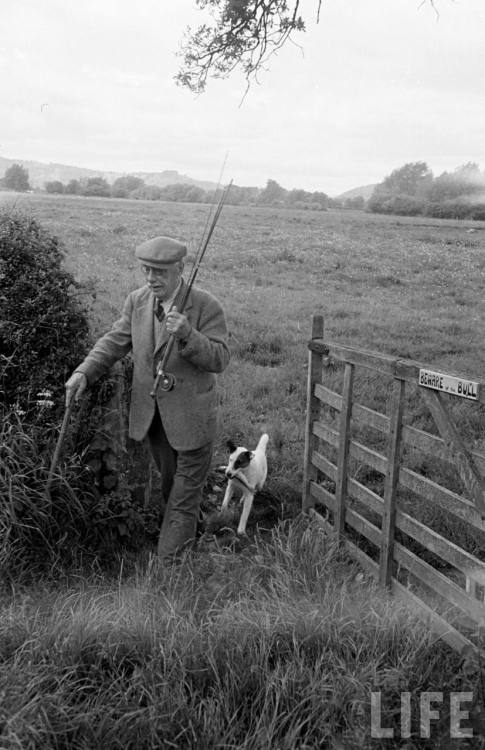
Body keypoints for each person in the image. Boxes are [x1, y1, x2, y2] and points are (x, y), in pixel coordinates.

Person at [65, 235, 230, 563]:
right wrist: (84, 372)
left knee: (182, 500)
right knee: (174, 491)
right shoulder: (137, 301)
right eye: (146, 271)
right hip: (155, 419)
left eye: (159, 272)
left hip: (193, 420)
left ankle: (168, 573)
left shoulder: (205, 305)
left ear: (179, 269)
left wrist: (188, 335)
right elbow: (114, 341)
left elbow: (220, 358)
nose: (151, 278)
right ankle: (192, 542)